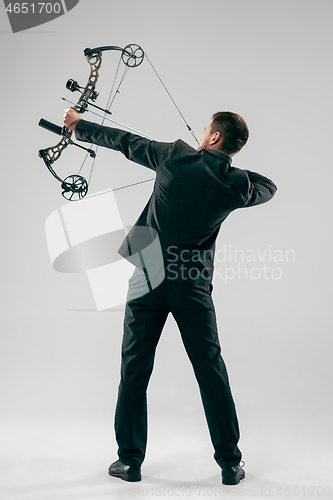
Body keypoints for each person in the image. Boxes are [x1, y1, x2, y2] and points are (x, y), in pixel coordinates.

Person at [64, 108, 277, 485]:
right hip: (191, 284)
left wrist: (78, 125)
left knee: (135, 368)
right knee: (210, 369)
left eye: (206, 129)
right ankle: (229, 464)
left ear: (213, 137)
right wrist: (229, 165)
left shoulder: (175, 156)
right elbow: (268, 186)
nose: (200, 132)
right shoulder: (237, 185)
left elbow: (125, 143)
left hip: (147, 275)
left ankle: (129, 462)